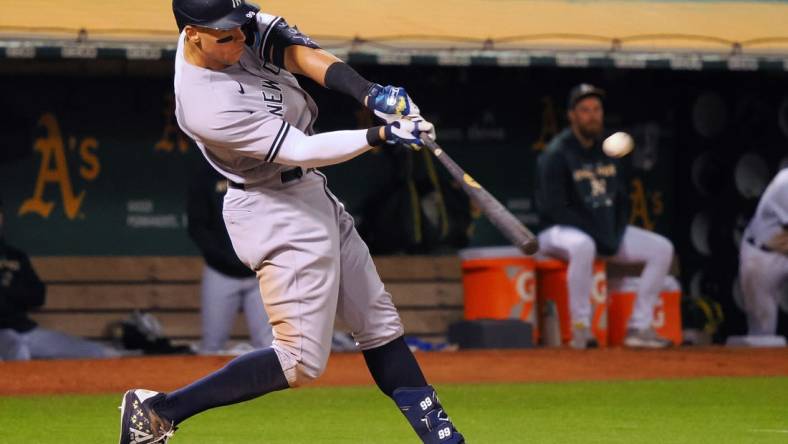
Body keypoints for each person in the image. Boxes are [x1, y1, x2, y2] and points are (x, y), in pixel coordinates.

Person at [117, 1, 464, 444]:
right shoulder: (204, 105)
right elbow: (300, 150)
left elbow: (299, 54)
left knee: (379, 324)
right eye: (227, 36)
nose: (241, 40)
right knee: (298, 361)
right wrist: (383, 134)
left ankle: (444, 439)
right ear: (192, 35)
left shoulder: (231, 27)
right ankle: (158, 412)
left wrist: (371, 93)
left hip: (307, 191)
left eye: (241, 27)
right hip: (271, 208)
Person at [535, 83, 674, 349]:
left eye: (596, 109)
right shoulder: (557, 153)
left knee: (662, 249)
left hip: (600, 230)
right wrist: (600, 234)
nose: (592, 115)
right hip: (556, 231)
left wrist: (614, 232)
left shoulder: (609, 150)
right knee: (583, 246)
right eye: (585, 110)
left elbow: (621, 200)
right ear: (572, 115)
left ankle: (639, 327)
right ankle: (581, 329)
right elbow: (555, 208)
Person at [0, 198, 117, 360]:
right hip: (4, 336)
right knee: (18, 351)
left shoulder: (15, 257)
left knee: (95, 351)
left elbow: (38, 296)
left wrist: (8, 288)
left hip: (26, 330)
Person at [187, 159, 273, 354]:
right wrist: (223, 258)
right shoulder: (206, 175)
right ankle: (210, 386)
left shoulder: (261, 172)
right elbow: (197, 226)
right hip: (220, 273)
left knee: (269, 345)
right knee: (212, 345)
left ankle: (272, 385)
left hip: (259, 272)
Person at [738, 168, 788, 339]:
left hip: (782, 249)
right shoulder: (786, 181)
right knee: (762, 332)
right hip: (763, 256)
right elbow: (783, 237)